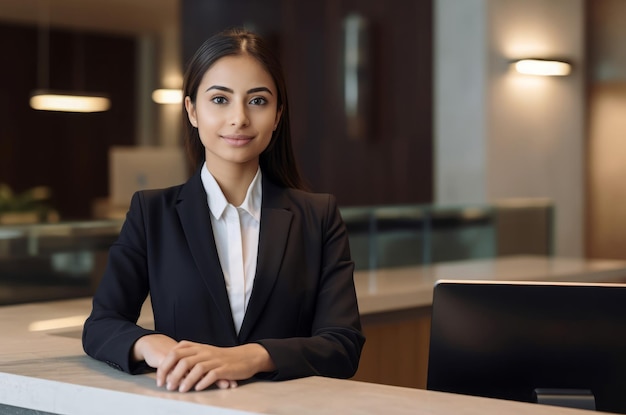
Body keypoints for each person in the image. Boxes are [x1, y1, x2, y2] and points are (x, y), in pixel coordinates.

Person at [82, 28, 365, 393]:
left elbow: (343, 344)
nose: (239, 118)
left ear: (278, 115)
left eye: (258, 101)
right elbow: (103, 323)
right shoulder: (152, 213)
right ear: (192, 110)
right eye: (220, 100)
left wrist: (253, 356)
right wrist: (159, 348)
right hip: (186, 404)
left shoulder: (318, 216)